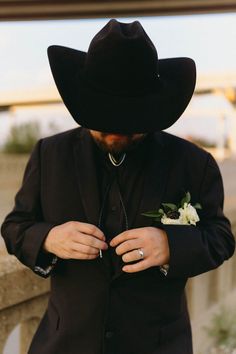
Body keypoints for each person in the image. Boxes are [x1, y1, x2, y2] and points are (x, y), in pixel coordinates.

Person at [1, 19, 235, 354]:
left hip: (158, 346)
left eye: (130, 122)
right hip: (64, 345)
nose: (116, 132)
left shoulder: (194, 163)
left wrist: (171, 245)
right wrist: (50, 238)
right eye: (104, 119)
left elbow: (222, 238)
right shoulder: (49, 154)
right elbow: (14, 227)